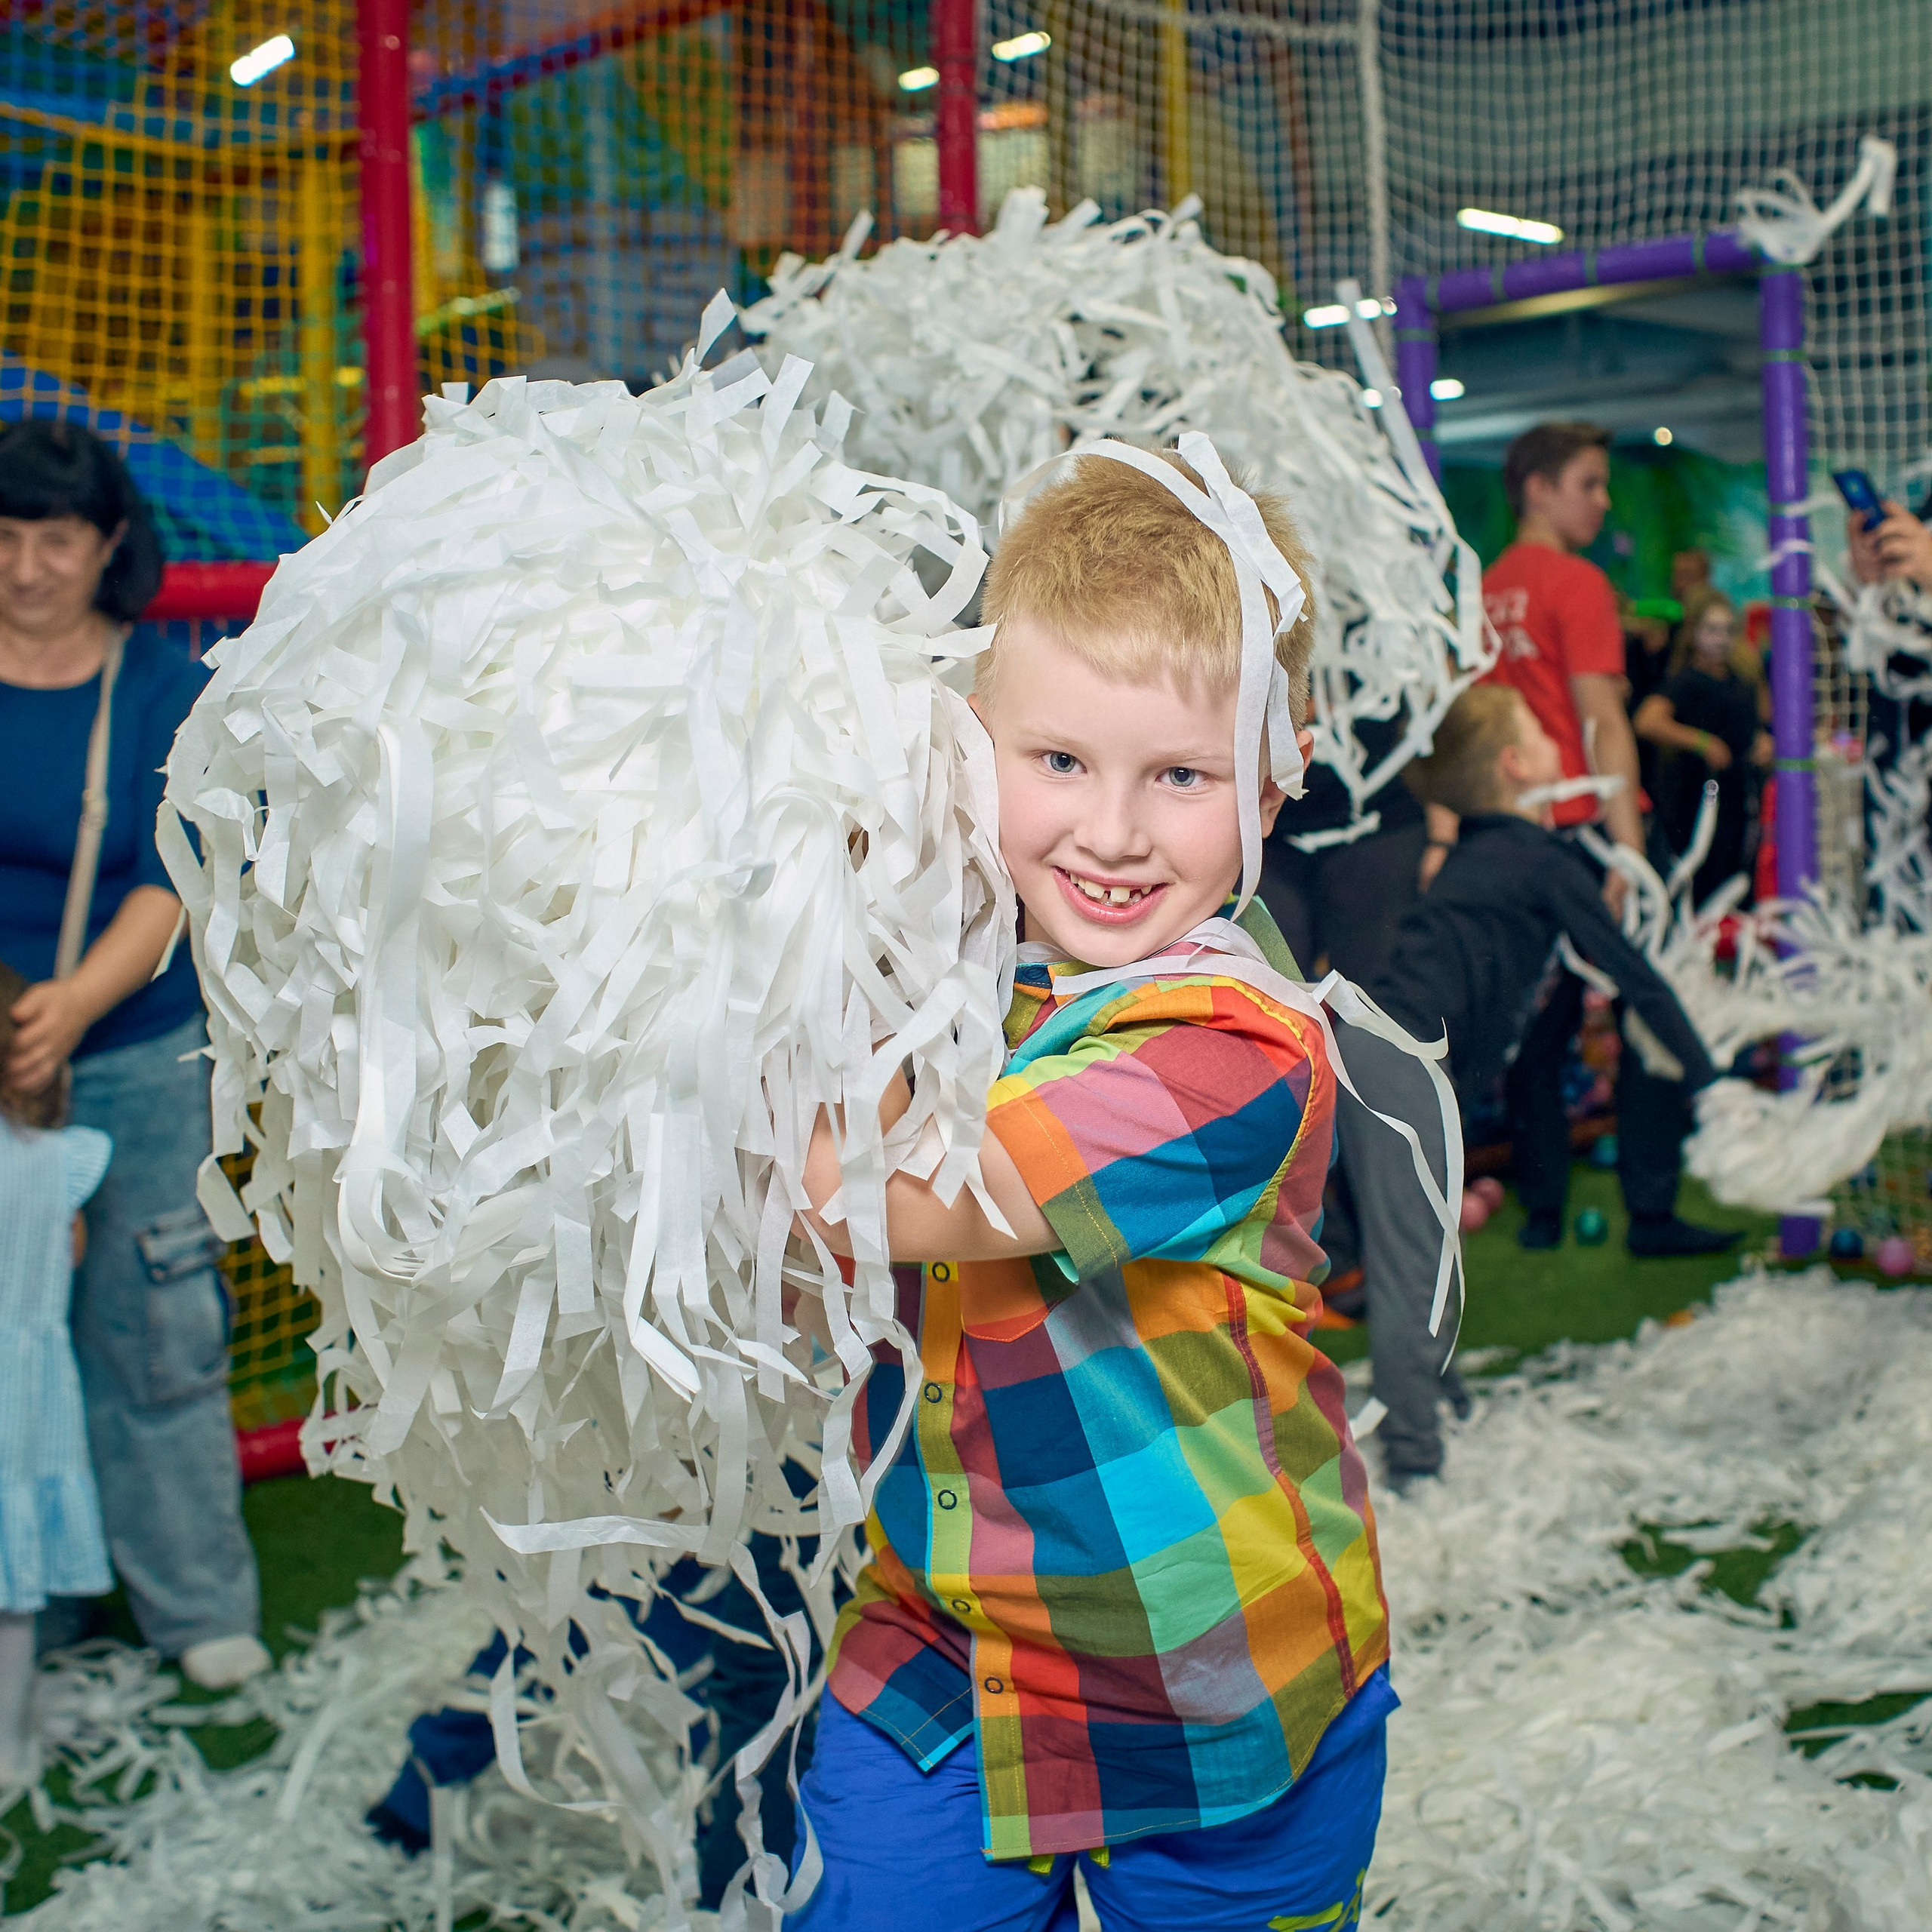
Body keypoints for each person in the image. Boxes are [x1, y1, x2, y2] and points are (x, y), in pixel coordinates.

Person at [789, 449, 1399, 1931]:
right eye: (1057, 761)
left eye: (1180, 776)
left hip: (1205, 1695)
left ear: (1276, 777)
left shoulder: (1231, 1047)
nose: (1113, 833)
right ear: (966, 748)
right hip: (939, 1654)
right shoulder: (958, 977)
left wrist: (755, 938)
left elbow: (895, 1200)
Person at [0, 420, 267, 1691]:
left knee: (157, 1330)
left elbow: (184, 872)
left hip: (134, 1052)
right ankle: (35, 1604)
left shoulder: (164, 686)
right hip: (4, 1058)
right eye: (4, 539)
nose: (27, 569)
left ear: (109, 544)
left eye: (55, 540)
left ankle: (193, 1602)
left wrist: (68, 1007)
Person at [1347, 686, 1730, 1480]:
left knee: (1432, 1250)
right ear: (1518, 766)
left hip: (1396, 1063)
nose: (1562, 742)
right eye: (1542, 731)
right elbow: (1634, 976)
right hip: (1395, 1065)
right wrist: (1709, 1078)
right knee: (1413, 1262)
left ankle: (1440, 1403)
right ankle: (1415, 1460)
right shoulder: (1538, 861)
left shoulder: (1494, 852)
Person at [0, 964, 115, 1786]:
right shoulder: (53, 1163)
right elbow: (68, 1251)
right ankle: (8, 1748)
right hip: (26, 1413)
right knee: (14, 1591)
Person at [1480, 421, 1644, 877]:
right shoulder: (1578, 582)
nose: (1603, 501)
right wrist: (1629, 849)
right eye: (1589, 484)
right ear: (1538, 489)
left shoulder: (1482, 591)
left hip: (1510, 826)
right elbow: (1602, 723)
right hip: (1584, 821)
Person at [1634, 587, 1771, 903]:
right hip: (1699, 793)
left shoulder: (1741, 678)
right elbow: (1647, 721)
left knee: (1737, 871)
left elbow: (1761, 719)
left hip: (1740, 793)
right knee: (1701, 870)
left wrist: (1764, 743)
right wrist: (1701, 742)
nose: (1720, 639)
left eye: (1727, 630)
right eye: (1711, 630)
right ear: (1694, 631)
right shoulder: (1686, 680)